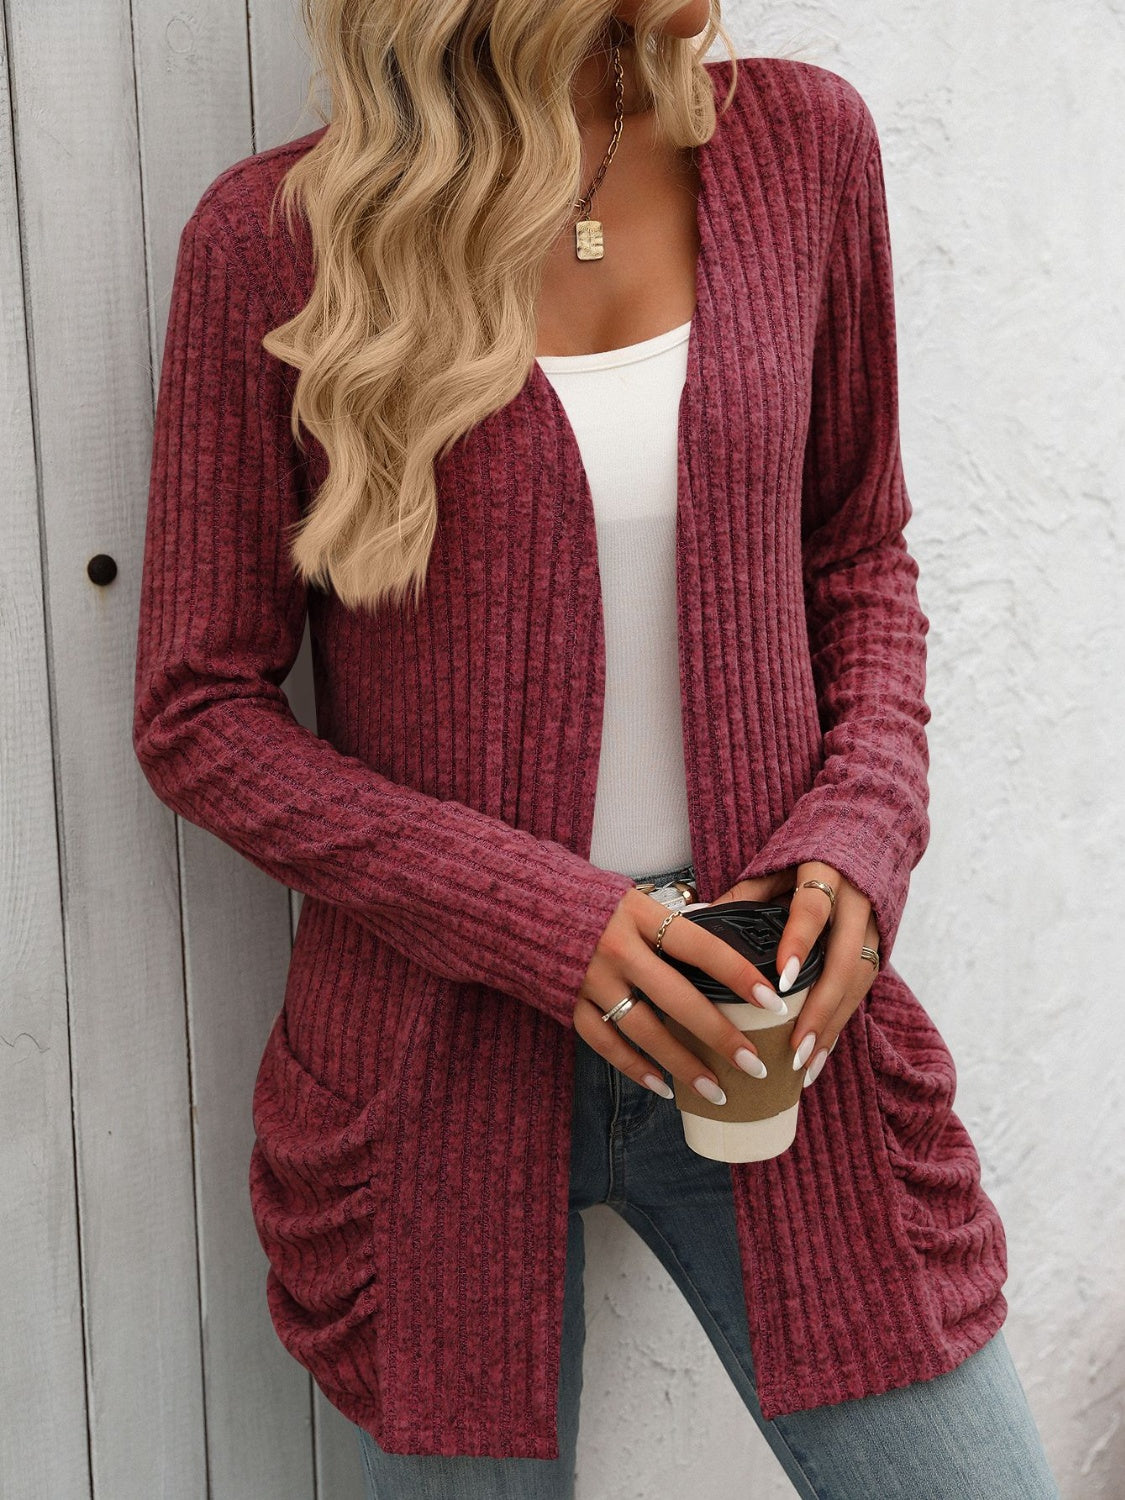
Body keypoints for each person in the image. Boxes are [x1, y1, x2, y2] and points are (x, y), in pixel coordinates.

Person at [132, 1, 1063, 1495]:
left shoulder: (799, 148)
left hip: (770, 1025)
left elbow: (856, 556)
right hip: (433, 1077)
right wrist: (548, 924)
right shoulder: (278, 242)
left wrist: (861, 834)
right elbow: (200, 711)